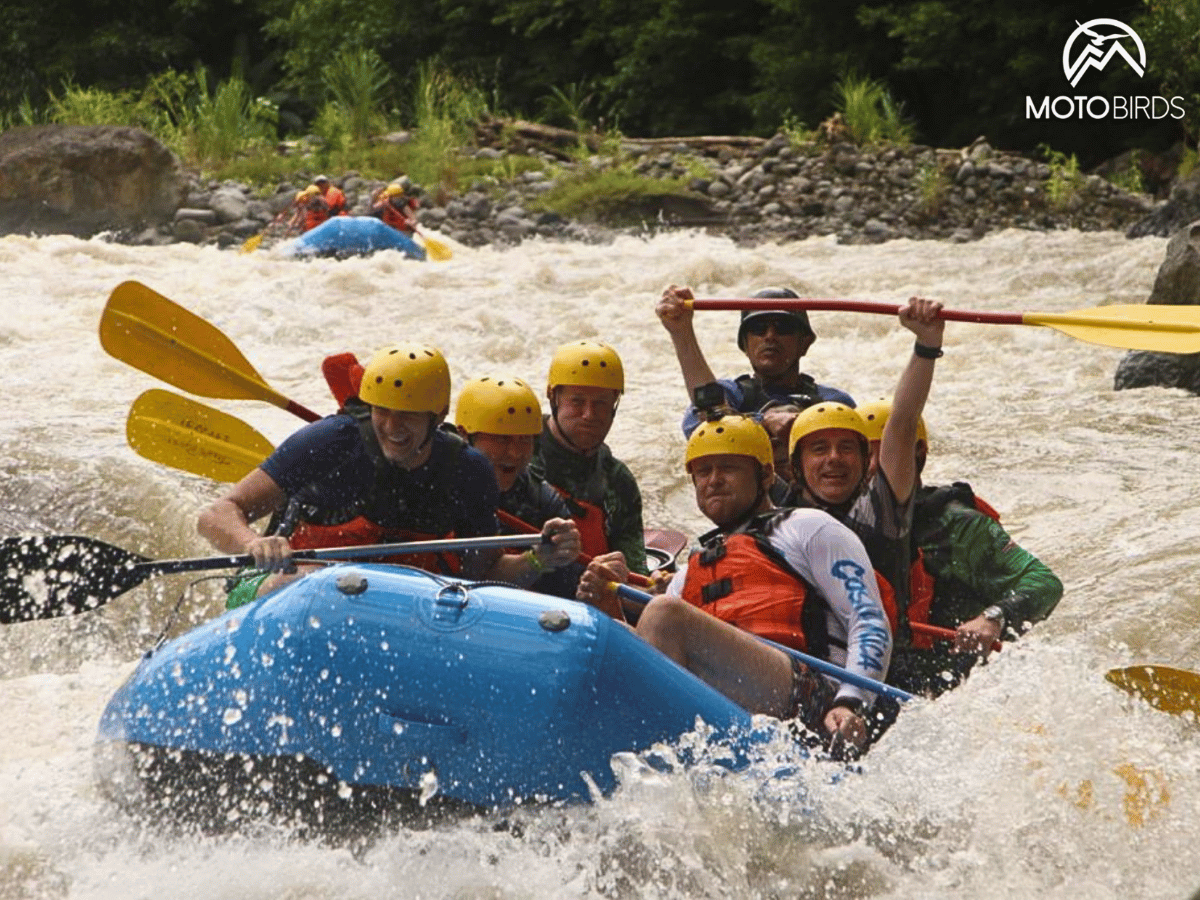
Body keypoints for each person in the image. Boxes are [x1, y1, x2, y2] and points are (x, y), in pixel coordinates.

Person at [577, 414, 893, 758]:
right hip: (723, 697)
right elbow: (652, 658)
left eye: (728, 468)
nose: (714, 480)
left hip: (812, 696)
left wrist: (850, 703)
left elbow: (868, 619)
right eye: (703, 472)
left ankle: (648, 754)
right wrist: (607, 607)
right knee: (602, 634)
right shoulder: (689, 572)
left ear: (766, 475)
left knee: (663, 613)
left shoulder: (809, 528)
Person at [197, 343, 579, 604]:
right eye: (383, 411)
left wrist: (538, 559)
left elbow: (485, 576)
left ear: (437, 416)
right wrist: (253, 543)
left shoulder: (468, 470)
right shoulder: (332, 441)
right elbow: (217, 514)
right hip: (284, 588)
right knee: (311, 583)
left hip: (394, 605)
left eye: (407, 415)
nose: (392, 427)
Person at [855, 398, 1064, 696]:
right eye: (864, 456)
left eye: (887, 454)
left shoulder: (957, 525)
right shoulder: (833, 523)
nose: (873, 468)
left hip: (948, 679)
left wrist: (993, 617)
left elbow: (1044, 583)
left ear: (919, 454)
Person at [784, 297, 945, 624]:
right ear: (795, 467)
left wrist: (926, 345)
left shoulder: (879, 512)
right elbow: (719, 452)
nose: (834, 459)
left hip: (881, 652)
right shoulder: (776, 510)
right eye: (819, 449)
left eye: (846, 448)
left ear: (865, 461)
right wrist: (681, 331)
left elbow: (902, 422)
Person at [656, 284, 855, 437]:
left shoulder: (834, 401)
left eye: (783, 328)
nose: (769, 336)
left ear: (805, 343)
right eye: (758, 329)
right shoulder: (730, 394)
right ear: (744, 345)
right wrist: (681, 332)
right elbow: (709, 423)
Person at [454, 374, 584, 598]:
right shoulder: (438, 483)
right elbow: (473, 577)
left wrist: (557, 555)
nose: (515, 453)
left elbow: (568, 592)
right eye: (502, 439)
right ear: (465, 436)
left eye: (524, 440)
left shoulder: (543, 502)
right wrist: (534, 560)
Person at [529, 339, 650, 576]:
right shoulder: (517, 451)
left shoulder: (618, 480)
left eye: (601, 404)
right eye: (577, 401)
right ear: (554, 397)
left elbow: (635, 569)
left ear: (614, 406)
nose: (589, 414)